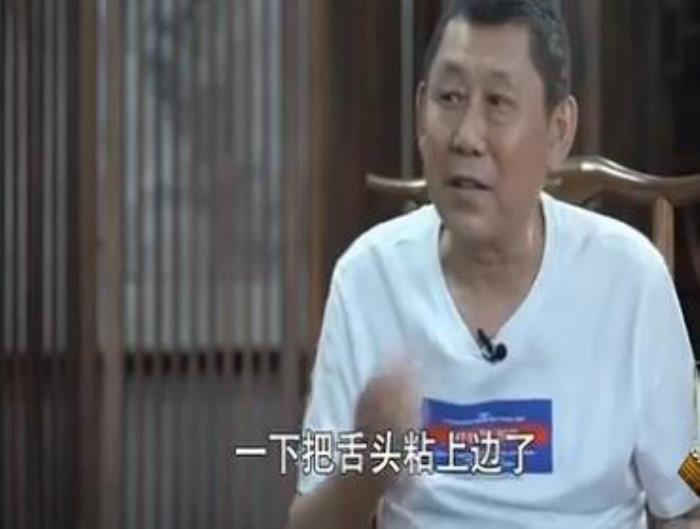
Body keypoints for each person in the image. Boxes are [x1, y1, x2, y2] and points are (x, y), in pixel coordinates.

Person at [286, 0, 700, 527]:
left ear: (559, 130)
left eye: (499, 102)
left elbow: (688, 487)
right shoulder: (368, 279)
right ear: (420, 114)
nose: (467, 136)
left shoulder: (631, 279)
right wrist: (366, 468)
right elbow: (307, 519)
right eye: (450, 98)